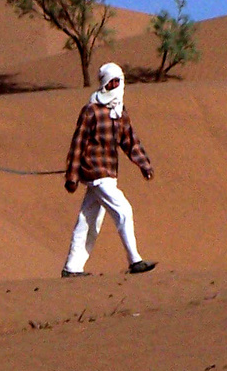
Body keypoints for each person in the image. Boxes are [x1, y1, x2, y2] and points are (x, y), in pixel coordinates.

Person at [61, 62, 156, 277]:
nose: (115, 84)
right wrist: (72, 176)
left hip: (109, 175)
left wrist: (144, 164)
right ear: (104, 83)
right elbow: (78, 144)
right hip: (96, 173)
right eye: (111, 81)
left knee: (88, 221)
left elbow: (130, 141)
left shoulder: (120, 111)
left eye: (118, 80)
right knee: (123, 210)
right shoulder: (91, 110)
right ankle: (135, 260)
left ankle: (72, 267)